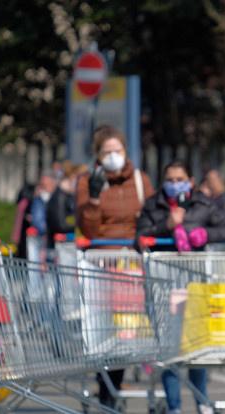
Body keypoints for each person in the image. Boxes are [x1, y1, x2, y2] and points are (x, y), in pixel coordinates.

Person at [136, 160, 225, 414]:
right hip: (163, 285)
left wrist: (206, 234)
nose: (175, 184)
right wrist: (166, 227)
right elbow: (139, 237)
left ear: (191, 181)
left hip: (195, 285)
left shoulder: (202, 204)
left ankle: (202, 402)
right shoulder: (153, 205)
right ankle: (174, 407)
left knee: (197, 348)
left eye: (180, 179)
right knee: (170, 350)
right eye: (169, 180)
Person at [75, 125, 154, 407]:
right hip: (102, 263)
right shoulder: (87, 181)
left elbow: (151, 214)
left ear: (126, 151)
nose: (113, 156)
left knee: (127, 328)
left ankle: (115, 386)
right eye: (107, 152)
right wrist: (94, 198)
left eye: (117, 151)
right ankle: (106, 386)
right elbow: (89, 228)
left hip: (133, 263)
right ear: (97, 154)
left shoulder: (139, 179)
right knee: (103, 330)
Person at [45, 162, 86, 249]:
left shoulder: (68, 196)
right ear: (74, 178)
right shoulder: (60, 197)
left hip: (66, 247)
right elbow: (61, 225)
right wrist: (82, 224)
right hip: (59, 248)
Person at [29, 172, 57, 239]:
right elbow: (38, 221)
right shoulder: (38, 201)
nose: (41, 188)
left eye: (44, 185)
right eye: (41, 185)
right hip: (43, 239)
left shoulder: (59, 199)